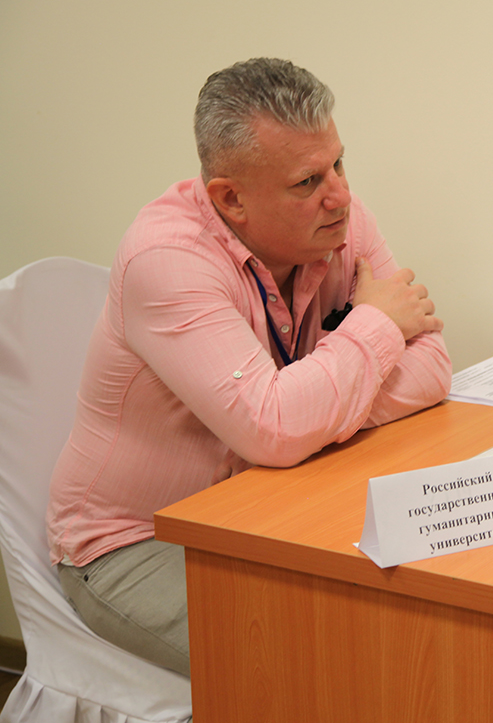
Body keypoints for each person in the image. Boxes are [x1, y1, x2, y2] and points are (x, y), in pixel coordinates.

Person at [46, 58, 452, 680]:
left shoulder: (340, 222)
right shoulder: (166, 261)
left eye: (339, 164)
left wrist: (309, 412)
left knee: (427, 618)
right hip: (139, 544)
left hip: (268, 509)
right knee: (322, 670)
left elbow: (432, 367)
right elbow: (274, 429)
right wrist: (371, 331)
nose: (340, 194)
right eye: (307, 181)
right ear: (231, 199)